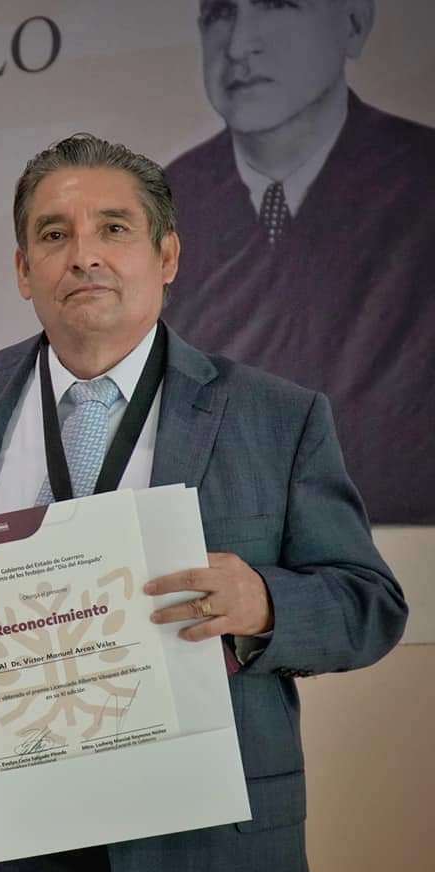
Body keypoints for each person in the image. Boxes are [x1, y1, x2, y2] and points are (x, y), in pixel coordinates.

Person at [0, 134, 407, 872]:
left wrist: (264, 603)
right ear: (23, 270)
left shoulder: (276, 416)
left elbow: (370, 606)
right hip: (1, 869)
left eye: (113, 229)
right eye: (54, 235)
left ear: (166, 255)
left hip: (200, 863)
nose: (84, 255)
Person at [164, 0, 435, 524]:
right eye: (220, 13)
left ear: (353, 24)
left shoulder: (423, 179)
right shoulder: (161, 207)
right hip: (214, 544)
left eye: (278, 4)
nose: (239, 45)